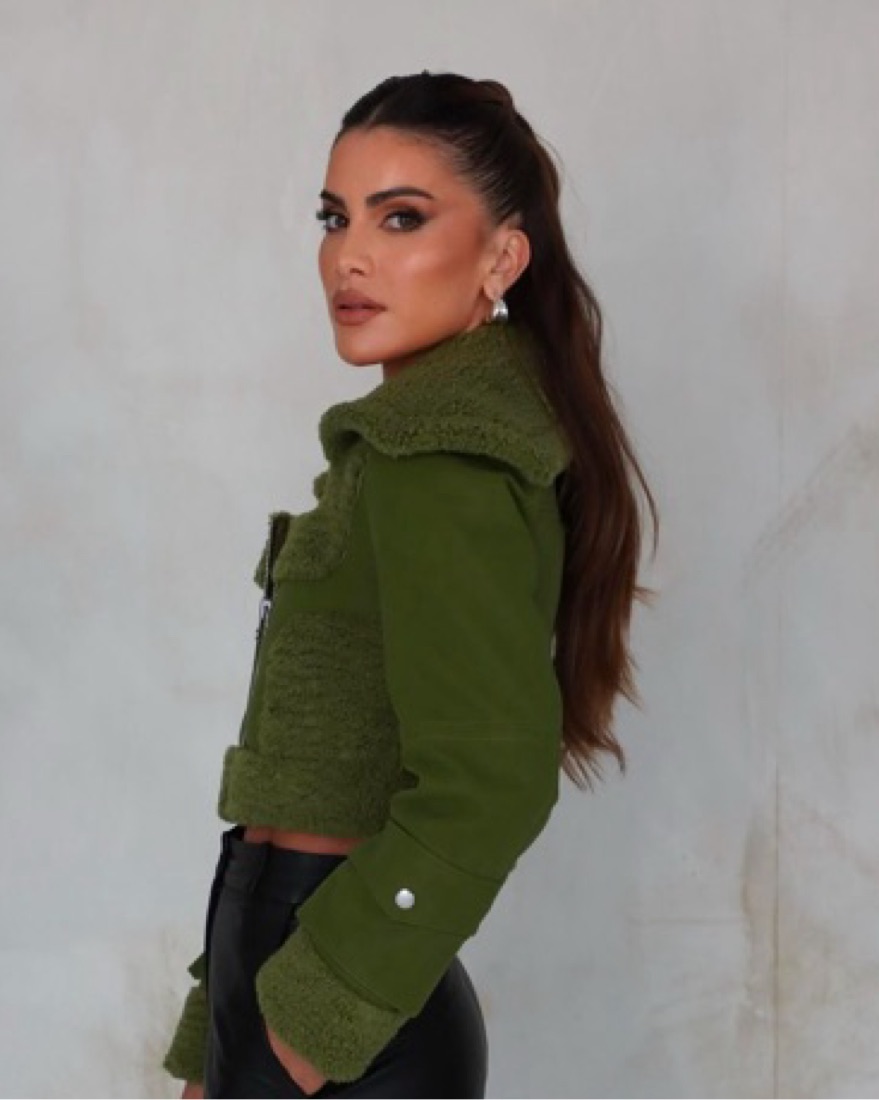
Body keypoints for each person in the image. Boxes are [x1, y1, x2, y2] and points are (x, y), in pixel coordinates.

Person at [161, 70, 658, 1099]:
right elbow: (299, 775)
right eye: (334, 217)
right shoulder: (402, 449)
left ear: (502, 258)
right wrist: (220, 1021)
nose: (350, 255)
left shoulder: (440, 457)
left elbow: (490, 780)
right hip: (292, 968)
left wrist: (301, 1029)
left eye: (401, 218)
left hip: (342, 999)